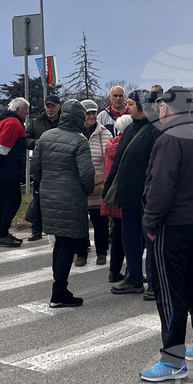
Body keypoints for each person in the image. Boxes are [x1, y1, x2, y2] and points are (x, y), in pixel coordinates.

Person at [139, 86, 193, 381]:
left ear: (166, 109)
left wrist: (151, 222)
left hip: (172, 224)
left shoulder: (170, 137)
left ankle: (172, 361)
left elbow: (161, 184)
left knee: (170, 293)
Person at [30, 99, 95, 308]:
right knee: (67, 244)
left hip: (49, 196)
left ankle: (59, 286)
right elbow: (87, 174)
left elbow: (35, 168)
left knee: (59, 242)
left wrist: (43, 186)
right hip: (71, 198)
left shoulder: (46, 137)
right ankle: (59, 292)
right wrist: (87, 190)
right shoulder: (80, 141)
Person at [105, 90, 158, 295]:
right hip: (128, 196)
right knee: (130, 239)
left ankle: (154, 284)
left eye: (130, 104)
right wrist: (109, 187)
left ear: (143, 107)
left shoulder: (155, 130)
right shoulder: (129, 129)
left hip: (147, 197)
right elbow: (119, 161)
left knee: (151, 241)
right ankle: (133, 278)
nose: (126, 107)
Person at [0, 98, 31, 247]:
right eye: (25, 109)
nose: (27, 113)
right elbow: (2, 147)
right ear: (18, 110)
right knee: (12, 201)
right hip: (9, 170)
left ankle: (3, 232)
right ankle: (3, 233)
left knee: (2, 201)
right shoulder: (13, 123)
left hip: (2, 170)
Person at [77, 99, 111, 267]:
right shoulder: (74, 133)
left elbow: (109, 159)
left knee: (100, 223)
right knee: (80, 224)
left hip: (99, 187)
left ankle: (102, 252)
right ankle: (81, 253)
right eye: (88, 113)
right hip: (79, 188)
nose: (91, 116)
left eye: (93, 113)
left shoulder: (105, 134)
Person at [25, 94, 63, 241]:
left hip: (61, 164)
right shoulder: (36, 122)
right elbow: (25, 139)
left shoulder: (64, 121)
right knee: (39, 196)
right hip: (41, 164)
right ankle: (36, 229)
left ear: (59, 107)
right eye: (48, 106)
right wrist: (34, 143)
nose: (50, 109)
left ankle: (58, 227)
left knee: (59, 197)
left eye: (53, 106)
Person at [102, 114, 134, 282]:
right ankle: (131, 270)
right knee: (132, 236)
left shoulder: (110, 145)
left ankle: (114, 270)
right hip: (126, 196)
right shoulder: (129, 145)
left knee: (116, 235)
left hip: (112, 195)